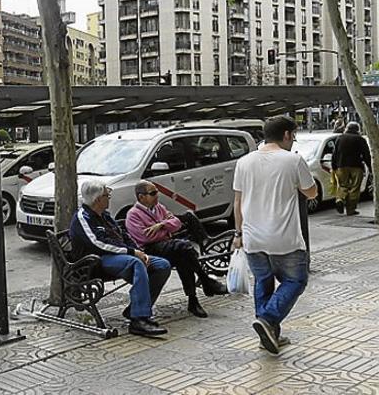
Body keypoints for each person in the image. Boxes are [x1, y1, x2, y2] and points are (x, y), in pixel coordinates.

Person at [233, 115, 317, 354]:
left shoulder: (244, 162)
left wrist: (238, 233)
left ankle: (268, 336)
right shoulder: (293, 160)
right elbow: (311, 193)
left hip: (252, 237)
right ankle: (268, 320)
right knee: (295, 281)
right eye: (294, 136)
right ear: (287, 135)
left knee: (263, 282)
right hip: (285, 238)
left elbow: (237, 202)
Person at [68, 176, 172, 337]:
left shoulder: (104, 214)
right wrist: (132, 253)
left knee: (162, 265)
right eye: (106, 195)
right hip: (95, 261)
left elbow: (122, 235)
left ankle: (136, 310)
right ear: (97, 199)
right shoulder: (83, 217)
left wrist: (139, 251)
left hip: (116, 256)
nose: (109, 197)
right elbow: (98, 243)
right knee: (135, 263)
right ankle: (139, 320)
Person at [125, 181, 227, 319]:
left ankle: (194, 300)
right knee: (183, 247)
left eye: (157, 192)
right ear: (141, 197)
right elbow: (145, 237)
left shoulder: (159, 208)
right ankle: (205, 281)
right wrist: (166, 229)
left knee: (184, 256)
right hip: (149, 251)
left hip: (168, 247)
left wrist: (161, 225)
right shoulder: (133, 215)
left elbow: (177, 224)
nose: (157, 196)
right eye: (153, 193)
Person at [332, 121, 371, 216]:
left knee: (342, 185)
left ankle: (339, 199)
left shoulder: (340, 138)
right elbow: (366, 155)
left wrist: (334, 166)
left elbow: (335, 154)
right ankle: (351, 210)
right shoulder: (360, 139)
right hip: (356, 166)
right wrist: (370, 167)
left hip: (341, 166)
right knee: (355, 188)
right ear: (357, 129)